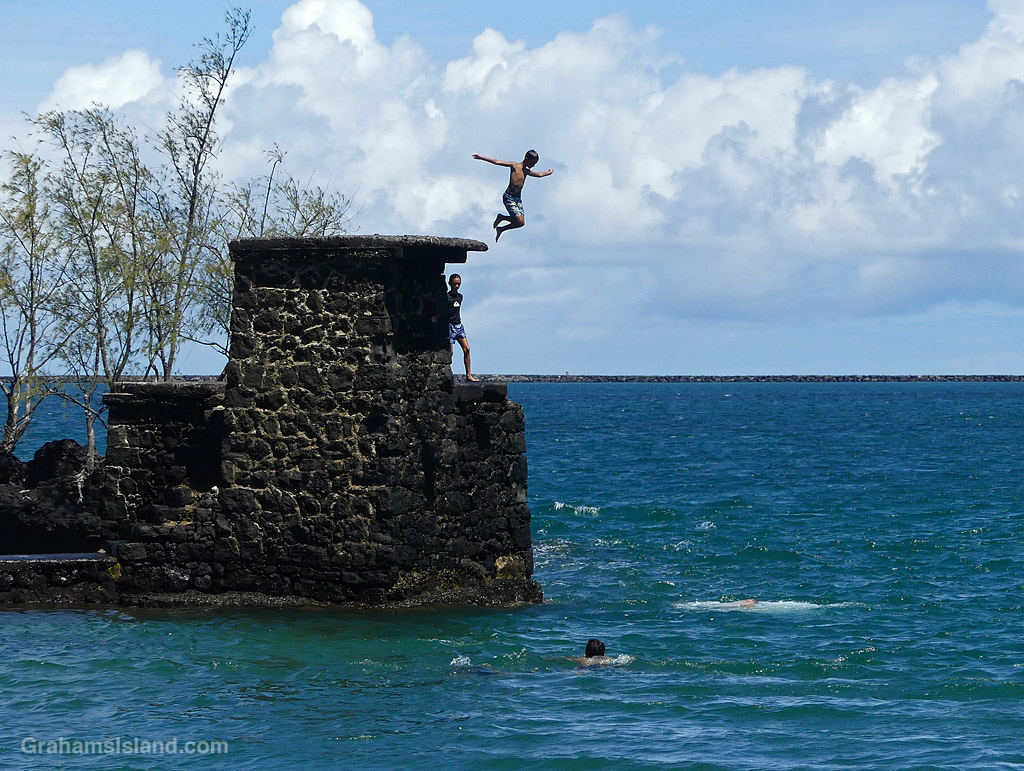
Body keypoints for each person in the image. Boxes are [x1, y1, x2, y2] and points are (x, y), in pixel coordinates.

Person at [472, 150, 553, 241]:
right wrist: (481, 157)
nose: (533, 165)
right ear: (526, 159)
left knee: (521, 223)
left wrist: (548, 173)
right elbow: (497, 162)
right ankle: (501, 217)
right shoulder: (514, 166)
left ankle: (501, 228)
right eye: (532, 163)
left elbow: (539, 174)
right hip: (509, 197)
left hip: (518, 199)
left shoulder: (526, 171)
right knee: (518, 220)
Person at [447, 274, 478, 382]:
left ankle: (468, 375)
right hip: (449, 325)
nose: (457, 286)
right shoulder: (447, 297)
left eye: (459, 284)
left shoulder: (460, 297)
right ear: (450, 283)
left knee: (467, 349)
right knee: (450, 352)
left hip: (458, 325)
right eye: (455, 283)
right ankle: (447, 374)